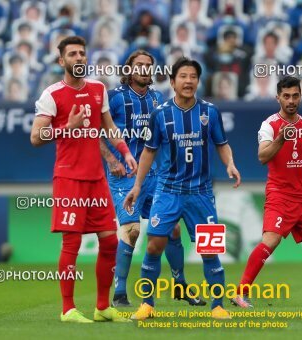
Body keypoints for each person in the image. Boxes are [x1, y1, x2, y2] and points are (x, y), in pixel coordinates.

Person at [125, 57, 241, 320]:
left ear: (198, 81)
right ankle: (147, 305)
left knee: (209, 250)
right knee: (154, 245)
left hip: (200, 193)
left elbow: (222, 143)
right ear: (172, 81)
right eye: (183, 76)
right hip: (167, 192)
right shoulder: (160, 115)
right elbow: (148, 153)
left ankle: (218, 306)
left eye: (193, 77)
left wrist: (230, 165)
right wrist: (138, 186)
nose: (188, 81)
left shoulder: (210, 112)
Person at [30, 36, 136, 323]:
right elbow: (35, 137)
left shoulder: (98, 89)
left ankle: (102, 307)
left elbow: (109, 127)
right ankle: (67, 309)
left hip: (96, 179)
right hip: (69, 179)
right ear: (61, 61)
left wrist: (124, 152)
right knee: (71, 244)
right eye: (72, 54)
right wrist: (67, 126)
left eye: (82, 53)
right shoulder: (51, 95)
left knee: (110, 242)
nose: (79, 58)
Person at [100, 50, 206, 307]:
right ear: (128, 69)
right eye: (139, 65)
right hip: (124, 175)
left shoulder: (158, 98)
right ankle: (120, 292)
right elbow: (93, 131)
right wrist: (112, 159)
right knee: (132, 230)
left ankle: (180, 286)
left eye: (149, 66)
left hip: (154, 176)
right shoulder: (114, 98)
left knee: (172, 228)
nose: (145, 70)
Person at [230, 76, 302, 309]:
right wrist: (280, 139)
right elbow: (262, 157)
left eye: (295, 96)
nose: (291, 100)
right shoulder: (269, 125)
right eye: (286, 96)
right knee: (270, 241)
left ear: (300, 96)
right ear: (278, 98)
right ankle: (240, 293)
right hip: (279, 194)